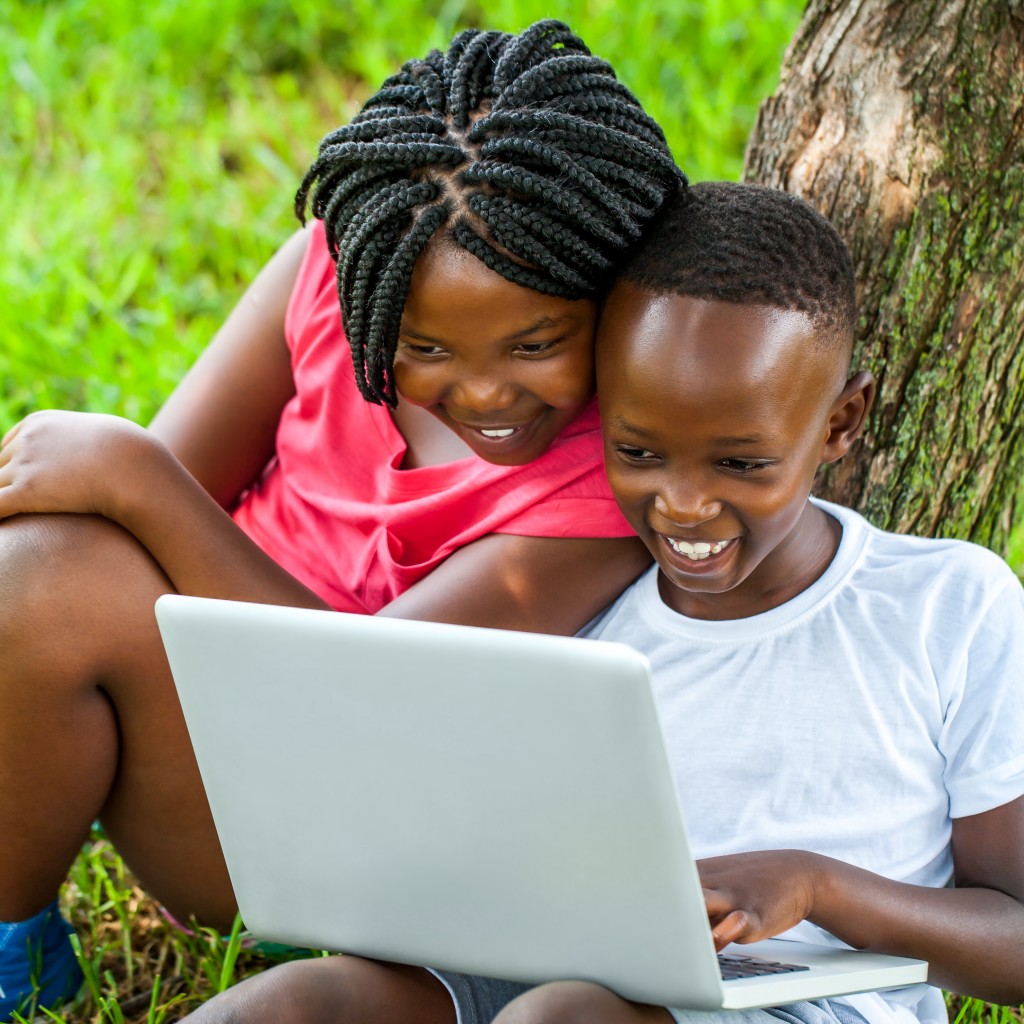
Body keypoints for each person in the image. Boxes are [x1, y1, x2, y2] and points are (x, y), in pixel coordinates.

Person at [173, 182, 1024, 1024]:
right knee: (296, 1003)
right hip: (545, 977)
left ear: (840, 424)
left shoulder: (946, 606)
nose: (683, 505)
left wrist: (817, 885)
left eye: (740, 464)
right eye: (639, 450)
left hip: (803, 1008)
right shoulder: (577, 611)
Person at [0, 20, 683, 1019]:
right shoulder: (330, 277)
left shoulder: (601, 489)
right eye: (422, 346)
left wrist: (137, 476)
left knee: (59, 572)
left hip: (369, 845)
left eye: (537, 342)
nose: (484, 389)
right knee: (44, 569)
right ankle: (15, 940)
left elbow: (366, 705)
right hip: (205, 751)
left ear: (612, 291)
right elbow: (125, 526)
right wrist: (134, 487)